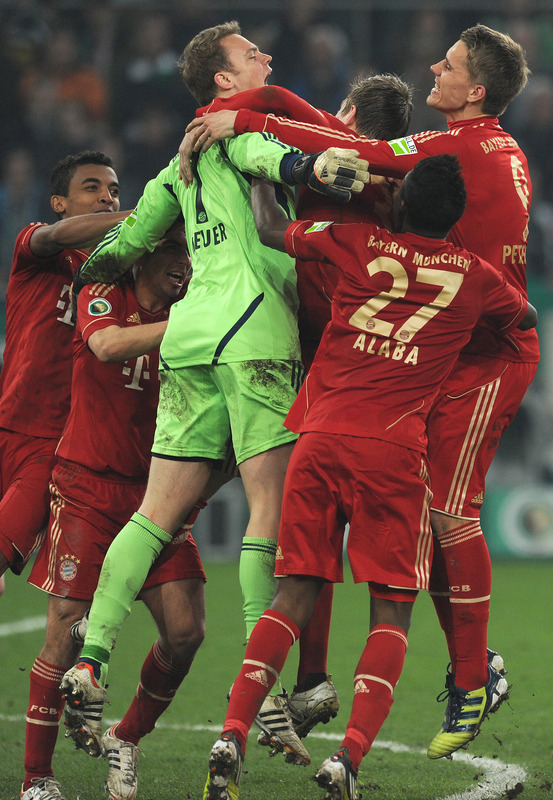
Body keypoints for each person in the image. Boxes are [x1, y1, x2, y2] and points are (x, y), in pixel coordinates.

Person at [182, 23, 539, 759]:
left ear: (474, 90)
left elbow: (361, 154)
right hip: (445, 348)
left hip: (486, 355)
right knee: (404, 525)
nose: (433, 65)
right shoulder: (477, 145)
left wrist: (244, 117)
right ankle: (350, 680)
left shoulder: (457, 149)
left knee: (444, 511)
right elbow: (334, 134)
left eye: (449, 64)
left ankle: (472, 678)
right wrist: (265, 102)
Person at [60, 19, 369, 767]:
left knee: (155, 513)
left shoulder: (176, 164)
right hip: (254, 334)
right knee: (271, 509)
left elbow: (127, 247)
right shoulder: (232, 134)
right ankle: (263, 690)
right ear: (224, 82)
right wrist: (329, 168)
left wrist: (85, 272)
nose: (264, 57)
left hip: (189, 338)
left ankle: (91, 657)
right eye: (250, 55)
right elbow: (275, 156)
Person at [182, 73, 413, 752]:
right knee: (354, 542)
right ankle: (319, 680)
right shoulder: (397, 177)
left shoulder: (338, 151)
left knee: (295, 531)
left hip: (308, 350)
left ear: (346, 113)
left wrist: (232, 125)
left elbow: (279, 112)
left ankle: (305, 677)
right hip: (380, 370)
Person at [21, 221, 209, 800]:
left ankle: (124, 741)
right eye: (172, 250)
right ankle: (37, 780)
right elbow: (105, 347)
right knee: (65, 633)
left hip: (157, 494)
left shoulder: (196, 306)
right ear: (141, 258)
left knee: (186, 634)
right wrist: (186, 324)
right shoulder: (102, 292)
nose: (183, 262)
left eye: (188, 251)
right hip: (87, 487)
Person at [0, 151, 128, 584]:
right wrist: (144, 214)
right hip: (6, 423)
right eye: (91, 188)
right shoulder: (37, 246)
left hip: (49, 445)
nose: (107, 198)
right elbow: (61, 237)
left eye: (113, 191)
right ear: (59, 202)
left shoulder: (118, 281)